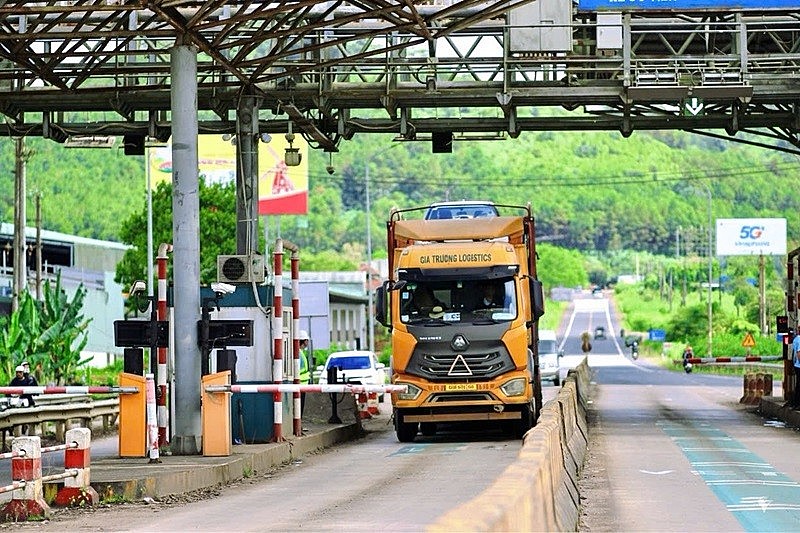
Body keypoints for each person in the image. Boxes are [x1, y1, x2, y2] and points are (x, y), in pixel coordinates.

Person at [298, 330, 311, 415]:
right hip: (300, 385)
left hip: (302, 385)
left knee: (300, 407)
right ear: (305, 341)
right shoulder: (299, 354)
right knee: (299, 407)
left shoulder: (300, 353)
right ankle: (298, 426)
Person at [792, 327, 800, 408]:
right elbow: (799, 353)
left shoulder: (796, 339)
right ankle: (797, 404)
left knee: (798, 385)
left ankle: (796, 403)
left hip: (796, 365)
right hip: (799, 364)